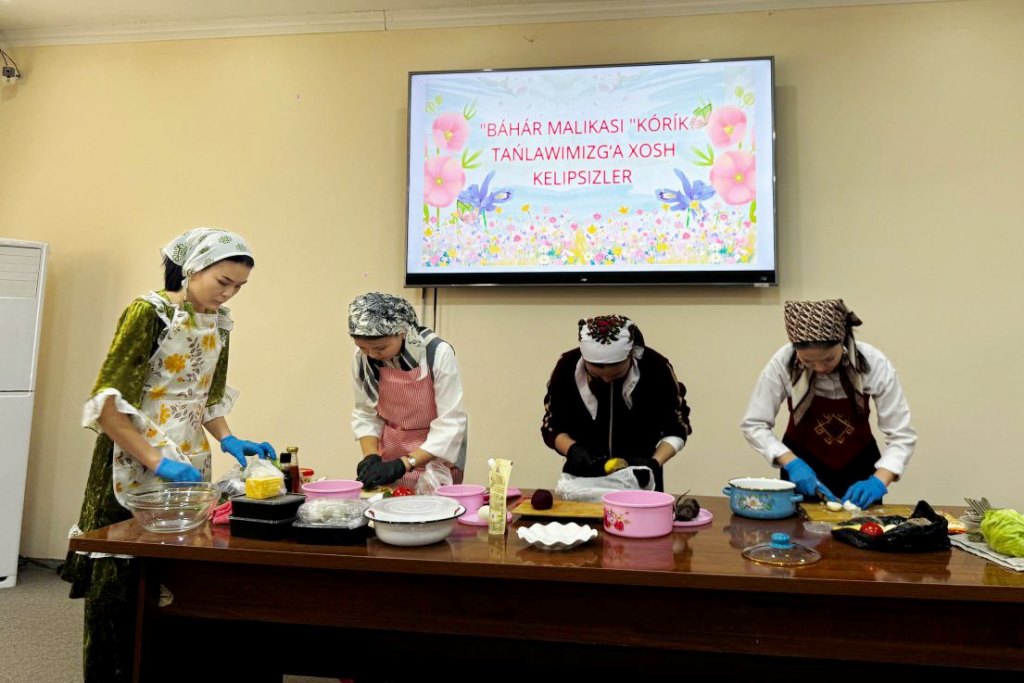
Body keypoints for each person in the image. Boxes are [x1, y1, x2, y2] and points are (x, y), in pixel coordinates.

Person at [61, 227, 275, 682]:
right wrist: (157, 461)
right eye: (223, 282)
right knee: (122, 575)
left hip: (189, 456)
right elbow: (108, 404)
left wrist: (229, 439)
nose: (229, 293)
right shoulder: (150, 312)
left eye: (239, 287)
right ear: (193, 268)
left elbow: (206, 397)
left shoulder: (219, 321)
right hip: (133, 454)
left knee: (178, 573)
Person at [740, 299, 916, 508]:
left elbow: (901, 435)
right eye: (808, 361)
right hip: (802, 466)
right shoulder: (783, 363)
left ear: (842, 340)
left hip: (859, 465)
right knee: (800, 528)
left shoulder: (873, 362)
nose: (820, 368)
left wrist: (879, 480)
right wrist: (791, 462)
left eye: (828, 359)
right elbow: (755, 424)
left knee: (861, 527)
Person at [541, 315, 692, 492]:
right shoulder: (567, 366)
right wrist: (572, 448)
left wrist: (653, 462)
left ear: (630, 355)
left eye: (616, 375)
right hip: (583, 478)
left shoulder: (655, 367)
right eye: (596, 376)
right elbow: (552, 425)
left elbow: (678, 428)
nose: (606, 380)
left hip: (640, 476)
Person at [349, 292, 467, 491]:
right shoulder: (363, 359)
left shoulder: (437, 353)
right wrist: (371, 456)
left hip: (435, 460)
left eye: (380, 348)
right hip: (391, 455)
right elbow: (366, 413)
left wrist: (405, 463)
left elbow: (451, 423)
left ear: (402, 332)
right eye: (362, 347)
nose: (372, 355)